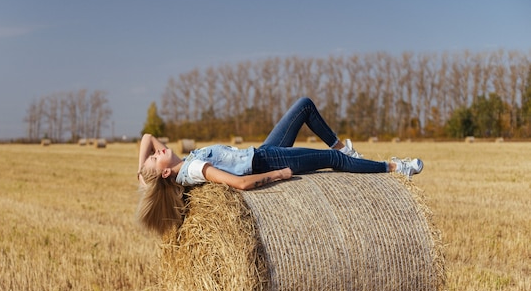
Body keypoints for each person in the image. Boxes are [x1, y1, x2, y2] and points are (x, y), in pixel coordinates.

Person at [137, 97, 423, 234]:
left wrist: (141, 171)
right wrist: (279, 173)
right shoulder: (195, 169)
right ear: (165, 172)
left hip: (262, 151)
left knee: (304, 106)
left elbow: (147, 137)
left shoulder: (181, 165)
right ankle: (395, 168)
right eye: (155, 156)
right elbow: (241, 184)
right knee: (334, 162)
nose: (156, 149)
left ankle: (344, 147)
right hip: (267, 161)